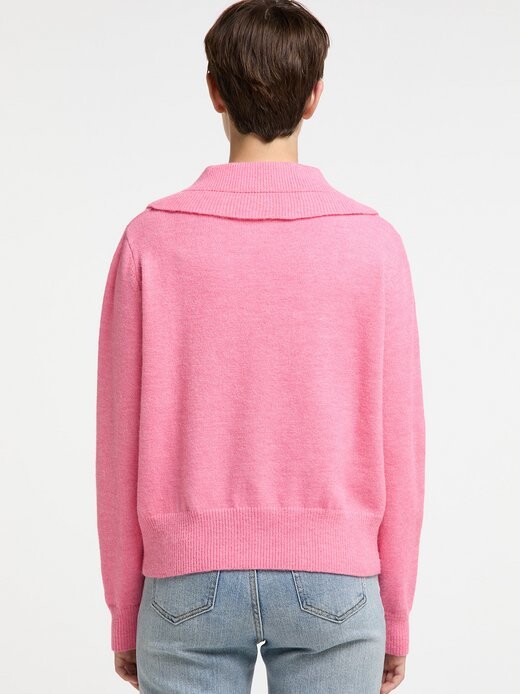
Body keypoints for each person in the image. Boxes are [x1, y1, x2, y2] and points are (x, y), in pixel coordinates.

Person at [95, 1, 426, 692]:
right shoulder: (373, 246)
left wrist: (126, 611)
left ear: (214, 90)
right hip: (337, 581)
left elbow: (119, 443)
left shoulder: (149, 241)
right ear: (314, 96)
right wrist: (394, 614)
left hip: (184, 581)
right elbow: (402, 444)